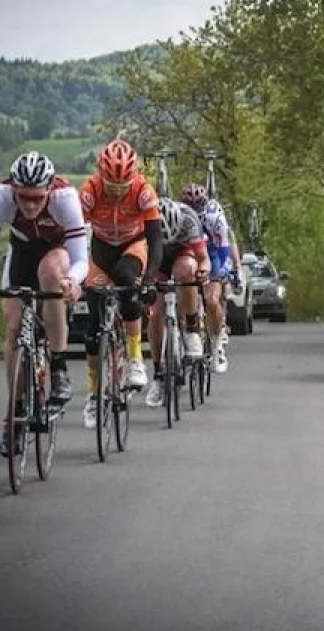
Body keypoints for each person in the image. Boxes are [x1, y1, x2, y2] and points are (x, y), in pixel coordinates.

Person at [0, 151, 87, 456]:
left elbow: (82, 257)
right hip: (21, 254)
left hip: (57, 252)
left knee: (51, 273)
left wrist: (73, 281)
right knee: (14, 328)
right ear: (14, 190)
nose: (30, 205)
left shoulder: (65, 197)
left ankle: (58, 366)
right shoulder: (1, 197)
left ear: (49, 190)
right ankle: (14, 416)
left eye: (37, 198)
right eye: (24, 198)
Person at [78, 138, 162, 429]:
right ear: (101, 176)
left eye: (121, 186)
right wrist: (75, 275)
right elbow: (75, 233)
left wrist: (149, 279)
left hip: (132, 247)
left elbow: (155, 239)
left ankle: (137, 357)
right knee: (93, 322)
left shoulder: (143, 190)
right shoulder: (89, 191)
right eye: (110, 186)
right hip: (101, 252)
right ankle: (93, 393)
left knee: (129, 284)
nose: (115, 192)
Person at [145, 197, 209, 408]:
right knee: (155, 314)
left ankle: (191, 329)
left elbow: (203, 257)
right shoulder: (144, 220)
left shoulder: (189, 218)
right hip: (157, 257)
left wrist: (203, 271)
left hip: (184, 253)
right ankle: (158, 372)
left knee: (186, 271)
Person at [198, 196, 242, 373]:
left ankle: (217, 345)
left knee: (213, 300)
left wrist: (230, 271)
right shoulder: (181, 217)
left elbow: (225, 251)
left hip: (214, 253)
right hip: (191, 252)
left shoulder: (216, 220)